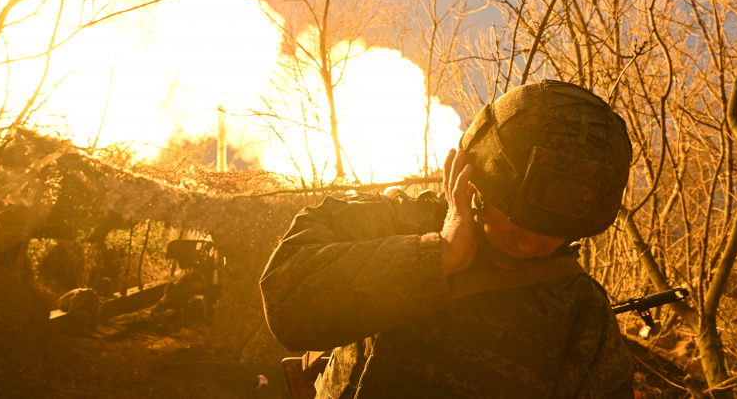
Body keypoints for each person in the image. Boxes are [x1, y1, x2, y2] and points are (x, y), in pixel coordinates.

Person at [260, 80, 635, 398]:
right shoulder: (393, 220)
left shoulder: (585, 315)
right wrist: (437, 254)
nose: (528, 243)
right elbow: (287, 305)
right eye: (518, 222)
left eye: (553, 232)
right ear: (473, 179)